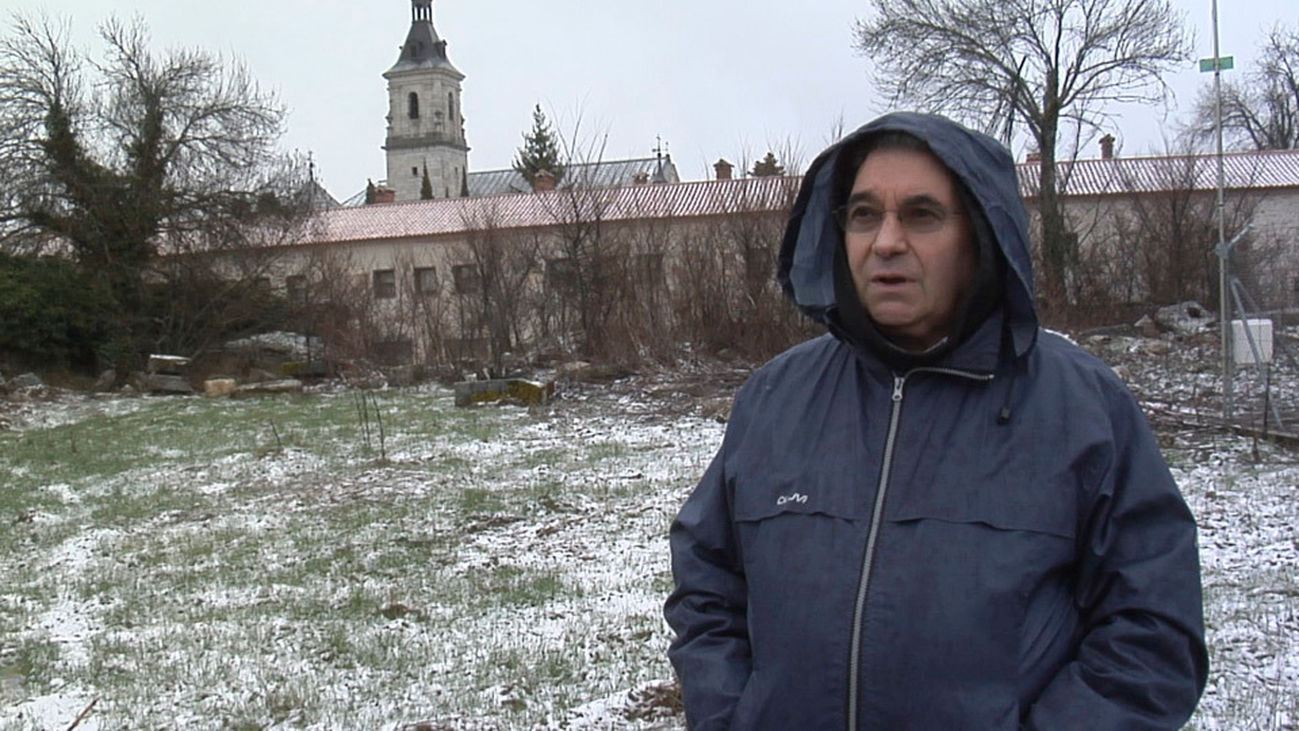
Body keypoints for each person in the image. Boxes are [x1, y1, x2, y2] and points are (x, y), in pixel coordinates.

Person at [664, 112, 1207, 730]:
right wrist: (731, 714)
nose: (886, 241)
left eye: (921, 215)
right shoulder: (775, 398)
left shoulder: (1081, 408)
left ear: (979, 235)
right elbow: (707, 581)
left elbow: (1153, 636)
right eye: (865, 214)